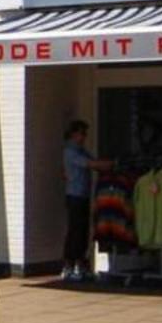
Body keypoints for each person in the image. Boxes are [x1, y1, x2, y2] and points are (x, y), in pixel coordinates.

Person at [61, 119, 105, 282]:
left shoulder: (81, 150)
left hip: (84, 195)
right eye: (82, 133)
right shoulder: (70, 151)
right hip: (74, 195)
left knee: (83, 230)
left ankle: (80, 263)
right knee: (75, 230)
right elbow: (90, 164)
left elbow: (94, 161)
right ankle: (68, 265)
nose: (84, 137)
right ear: (74, 134)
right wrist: (109, 165)